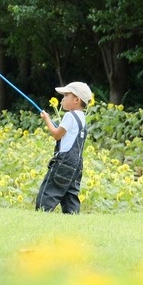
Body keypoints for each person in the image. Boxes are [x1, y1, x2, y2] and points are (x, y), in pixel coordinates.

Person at [35, 81, 93, 213]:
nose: (63, 99)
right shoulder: (82, 118)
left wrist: (47, 119)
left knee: (48, 192)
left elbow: (57, 135)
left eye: (66, 95)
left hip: (64, 162)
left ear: (77, 100)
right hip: (77, 163)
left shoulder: (69, 115)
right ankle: (72, 217)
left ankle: (41, 216)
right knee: (70, 194)